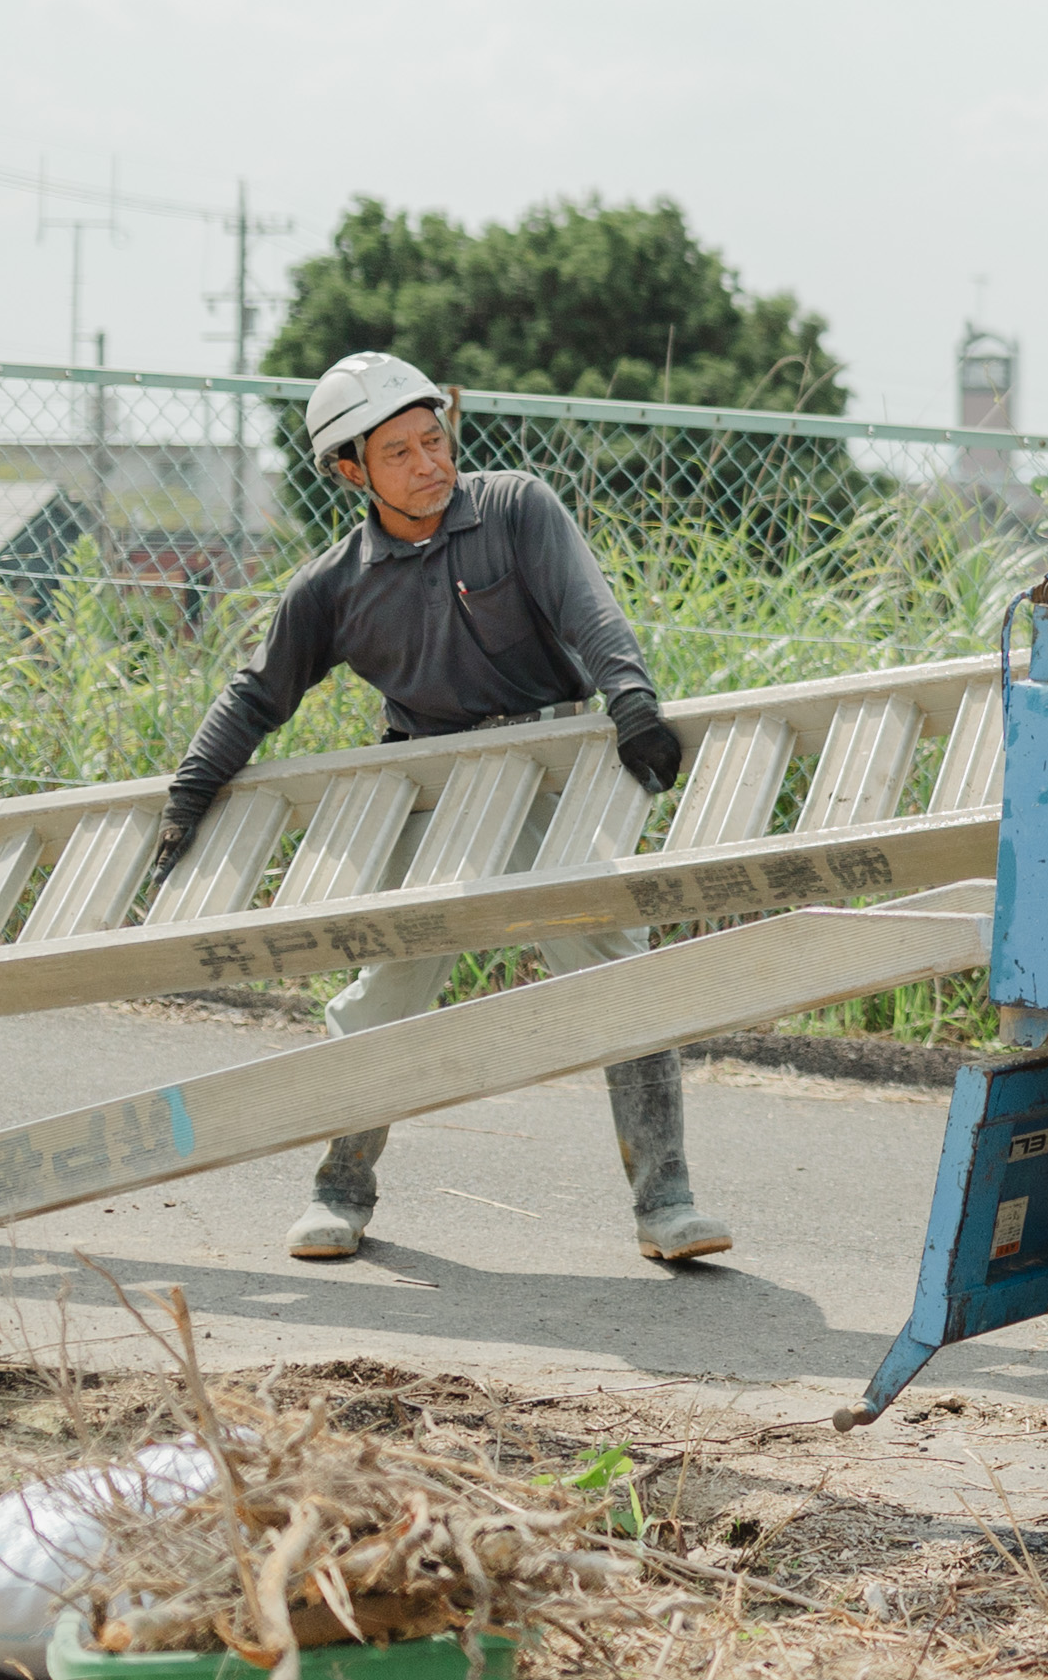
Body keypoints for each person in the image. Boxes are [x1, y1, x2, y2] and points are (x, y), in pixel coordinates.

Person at [153, 350, 726, 1268]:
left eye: (435, 439)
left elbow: (591, 615)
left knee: (614, 959)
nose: (430, 462)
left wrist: (631, 702)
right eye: (401, 452)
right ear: (351, 470)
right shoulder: (334, 585)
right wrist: (188, 795)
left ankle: (667, 1202)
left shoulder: (514, 508)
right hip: (432, 780)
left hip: (549, 763)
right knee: (391, 982)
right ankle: (338, 1191)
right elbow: (257, 694)